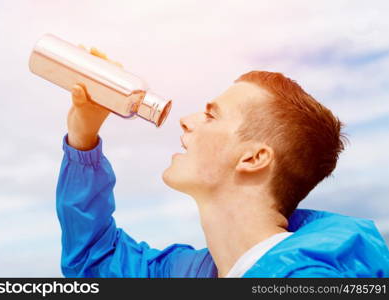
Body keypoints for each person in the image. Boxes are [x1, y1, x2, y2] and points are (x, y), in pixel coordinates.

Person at [56, 47, 389, 278]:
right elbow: (94, 262)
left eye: (211, 115)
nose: (186, 120)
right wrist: (82, 137)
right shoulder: (195, 273)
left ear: (254, 157)